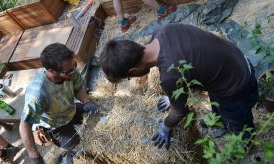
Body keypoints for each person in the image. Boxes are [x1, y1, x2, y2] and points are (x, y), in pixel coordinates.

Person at [99, 23, 258, 149]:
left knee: (237, 122)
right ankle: (223, 122)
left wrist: (165, 127)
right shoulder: (163, 30)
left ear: (133, 71)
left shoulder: (170, 76)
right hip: (235, 61)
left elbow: (180, 111)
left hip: (237, 86)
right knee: (220, 107)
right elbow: (189, 62)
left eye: (128, 77)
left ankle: (244, 145)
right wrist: (172, 97)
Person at [19, 43, 99, 164]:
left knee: (95, 114)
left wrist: (86, 101)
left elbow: (78, 86)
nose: (74, 72)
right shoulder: (38, 93)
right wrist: (34, 155)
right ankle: (59, 143)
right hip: (56, 125)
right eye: (69, 71)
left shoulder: (69, 68)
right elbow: (24, 125)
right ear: (51, 70)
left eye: (75, 66)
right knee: (74, 142)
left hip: (70, 109)